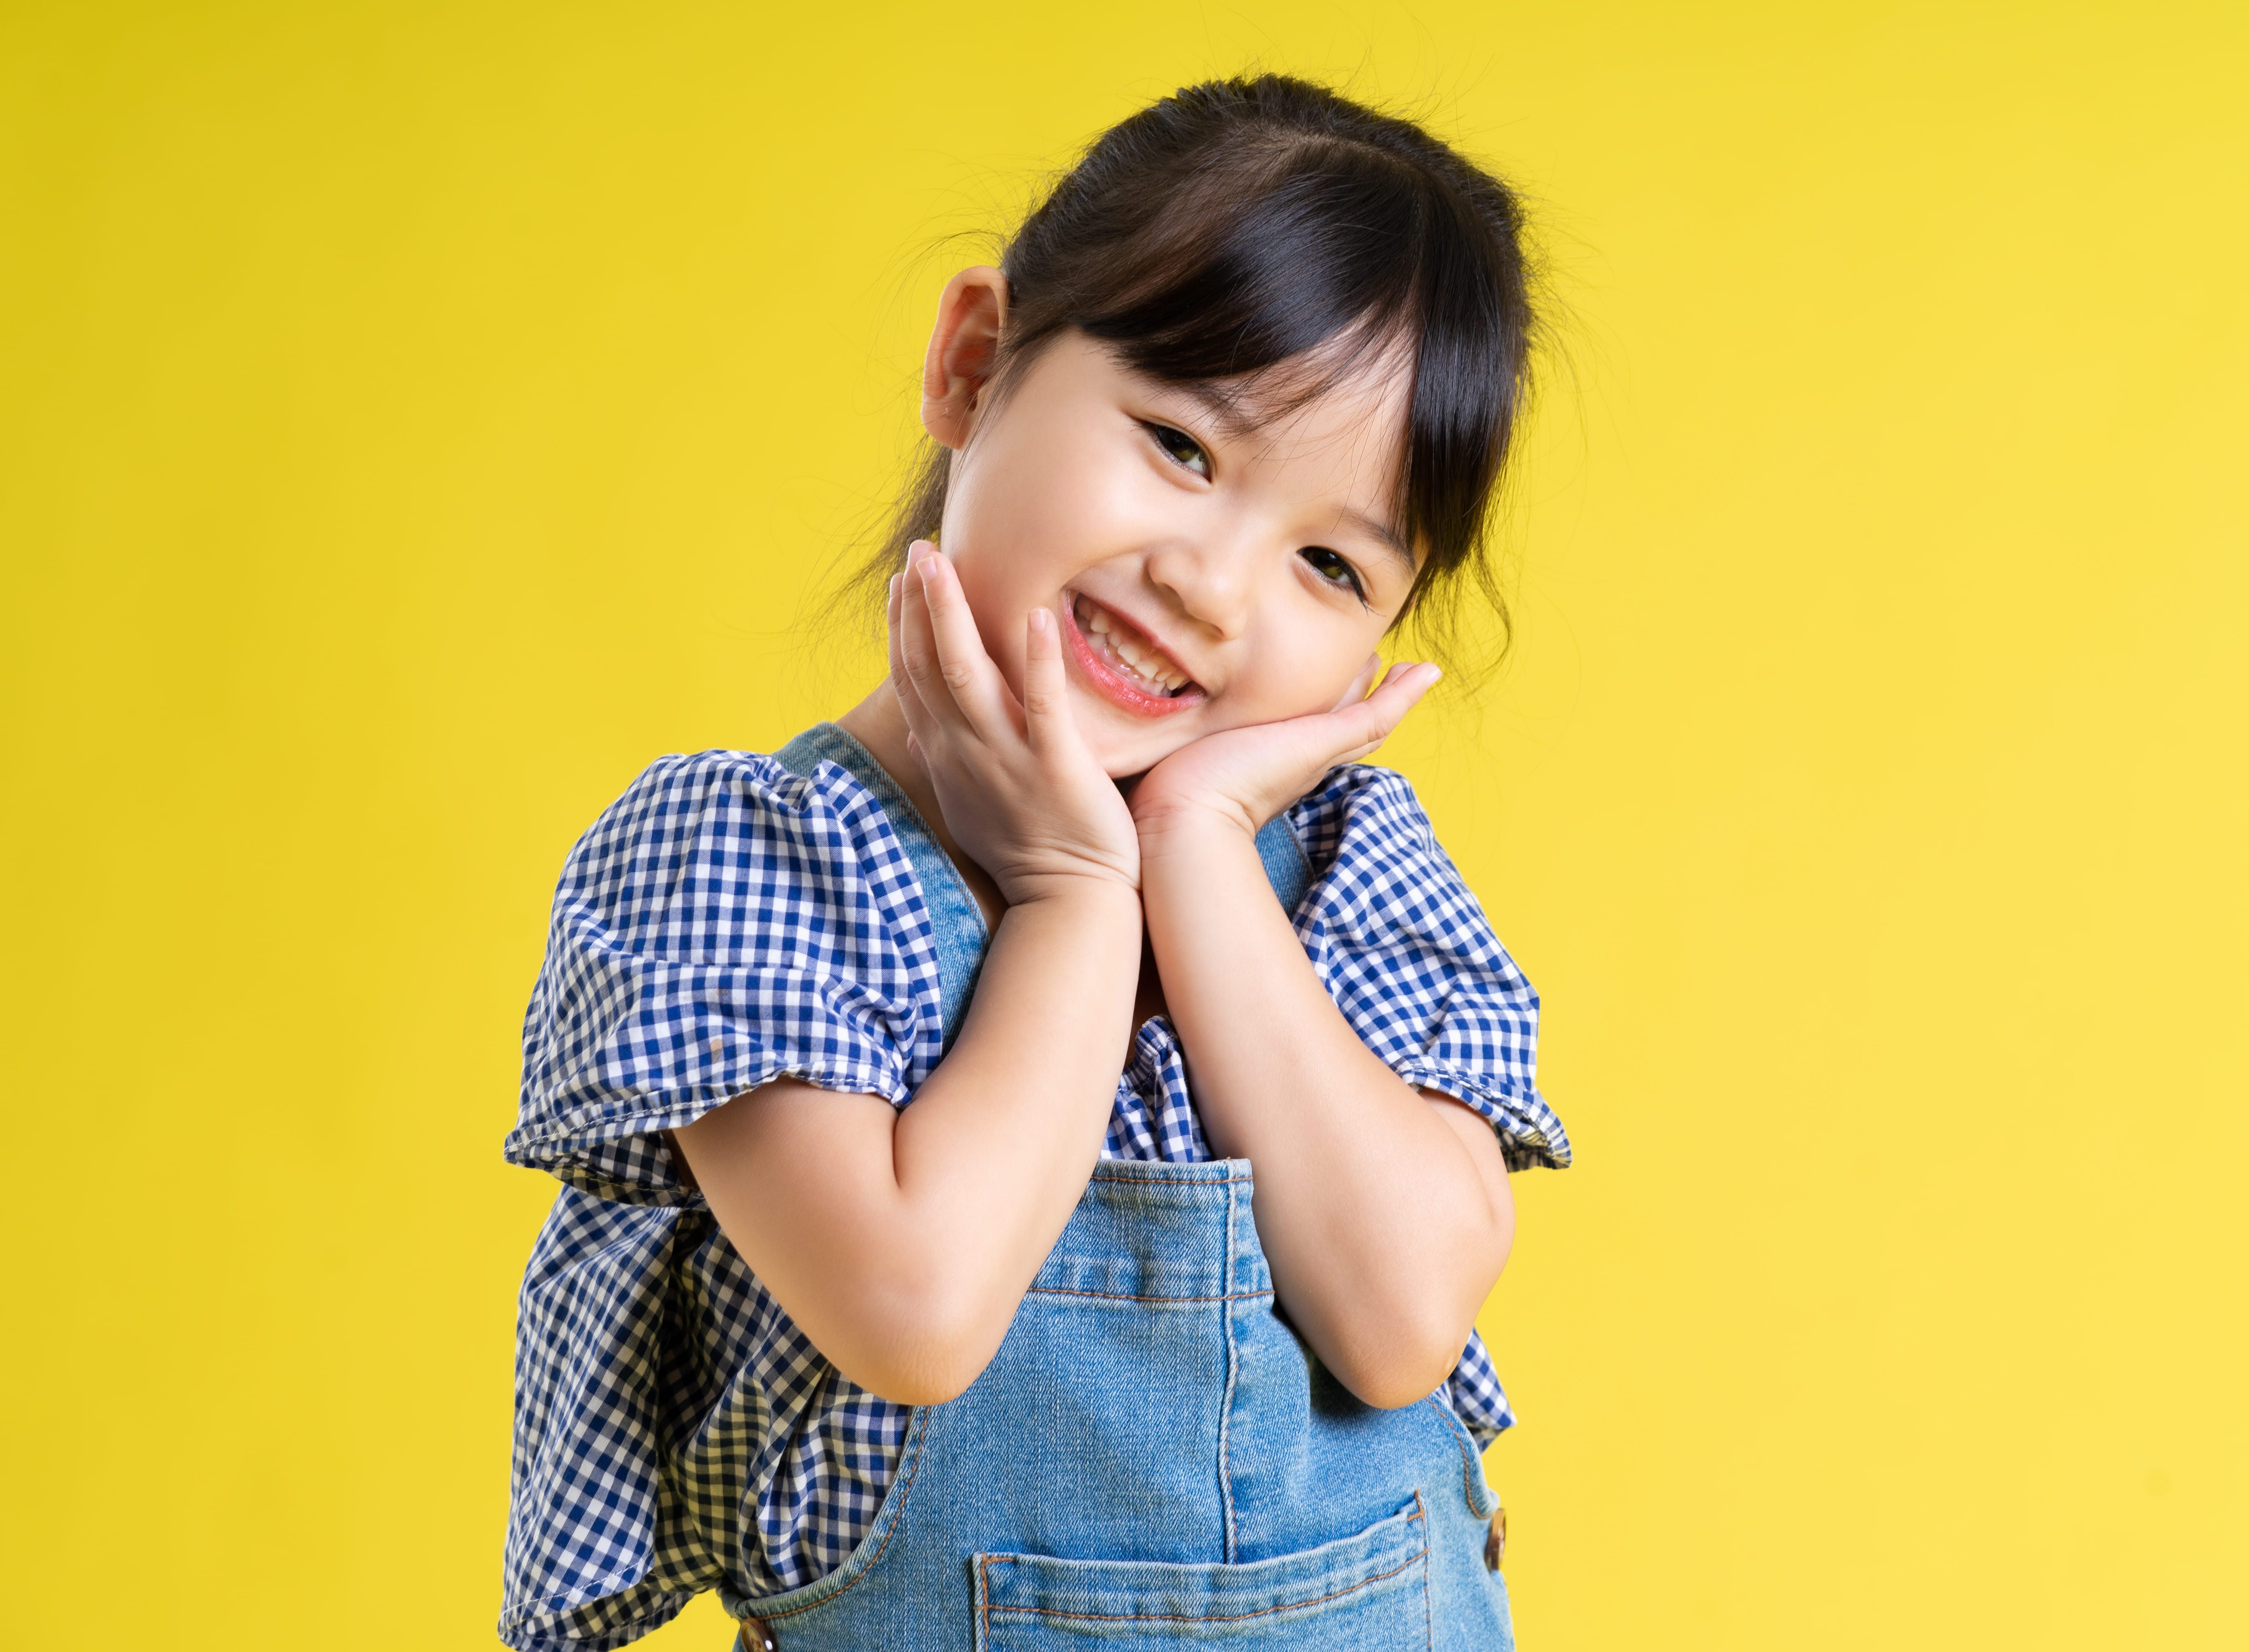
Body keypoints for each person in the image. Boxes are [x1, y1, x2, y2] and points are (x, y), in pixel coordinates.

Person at [499, 74, 1569, 1652]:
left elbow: (1403, 1318)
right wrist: (1074, 894)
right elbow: (918, 1309)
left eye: (1329, 564)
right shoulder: (753, 870)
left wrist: (1194, 849)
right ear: (974, 363)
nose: (1213, 588)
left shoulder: (1345, 872)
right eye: (1183, 446)